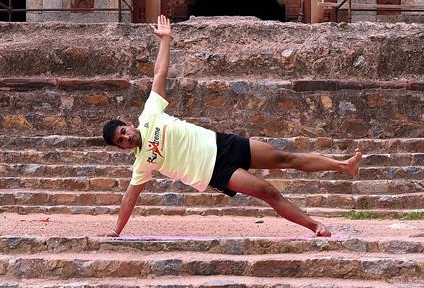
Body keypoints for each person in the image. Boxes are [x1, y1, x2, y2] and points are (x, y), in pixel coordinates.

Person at [98, 15, 362, 238]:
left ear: (128, 124)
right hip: (214, 171)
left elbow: (159, 74)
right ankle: (314, 226)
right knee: (267, 191)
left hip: (222, 143)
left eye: (123, 132)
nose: (126, 138)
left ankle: (344, 166)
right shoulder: (142, 162)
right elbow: (129, 197)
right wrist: (116, 230)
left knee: (285, 156)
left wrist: (166, 40)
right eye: (121, 141)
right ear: (122, 148)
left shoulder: (150, 114)